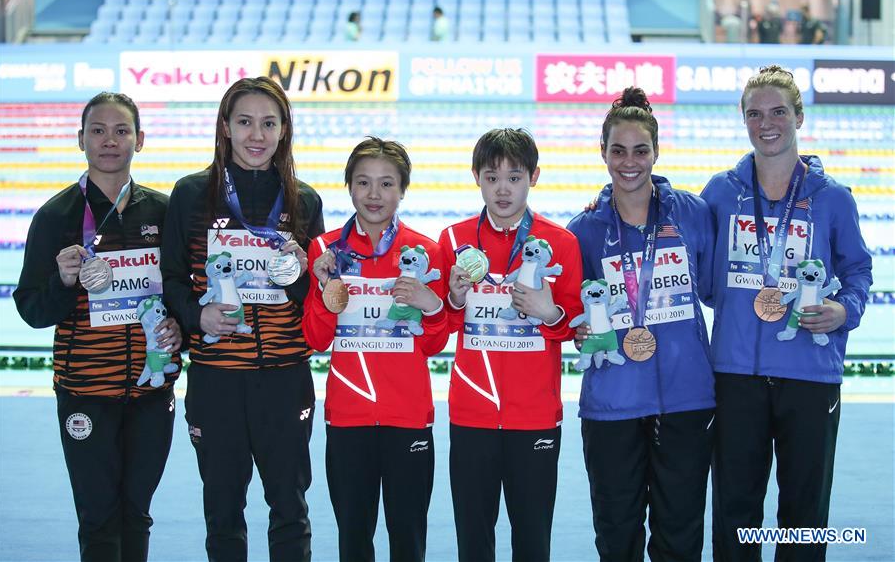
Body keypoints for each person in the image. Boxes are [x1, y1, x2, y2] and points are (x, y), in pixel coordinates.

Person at [701, 65, 872, 561]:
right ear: (744, 121)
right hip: (736, 374)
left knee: (804, 512)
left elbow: (858, 271)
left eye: (778, 111)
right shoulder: (720, 194)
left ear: (798, 116)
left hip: (809, 375)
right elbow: (698, 265)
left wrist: (845, 310)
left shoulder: (833, 198)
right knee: (735, 509)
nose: (766, 122)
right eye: (754, 114)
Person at [160, 76, 325, 561]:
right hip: (217, 380)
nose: (257, 134)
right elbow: (170, 277)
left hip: (284, 378)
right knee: (223, 510)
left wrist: (298, 271)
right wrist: (198, 316)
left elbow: (310, 294)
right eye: (246, 122)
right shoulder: (191, 195)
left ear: (283, 131)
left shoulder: (304, 201)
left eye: (268, 123)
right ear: (226, 128)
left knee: (290, 509)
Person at [13, 92, 183, 562]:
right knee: (98, 516)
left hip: (151, 393)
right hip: (85, 391)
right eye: (98, 131)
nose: (110, 140)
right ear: (80, 139)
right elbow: (31, 309)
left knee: (137, 511)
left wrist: (178, 329)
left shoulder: (164, 213)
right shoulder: (56, 216)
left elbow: (183, 298)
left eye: (122, 131)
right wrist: (64, 281)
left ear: (141, 140)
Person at [567, 87, 716, 562]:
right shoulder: (583, 231)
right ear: (603, 153)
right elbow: (574, 320)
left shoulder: (692, 214)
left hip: (686, 398)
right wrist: (580, 332)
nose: (629, 162)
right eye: (618, 150)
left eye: (640, 150)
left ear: (656, 151)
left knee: (681, 530)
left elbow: (714, 289)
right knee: (617, 532)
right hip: (613, 403)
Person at [437, 128, 583, 561]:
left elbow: (575, 326)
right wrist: (454, 299)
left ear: (533, 177)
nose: (503, 188)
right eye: (492, 177)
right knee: (473, 539)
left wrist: (549, 312)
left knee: (533, 540)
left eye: (514, 177)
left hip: (535, 417)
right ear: (476, 178)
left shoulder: (561, 244)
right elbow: (437, 326)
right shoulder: (452, 241)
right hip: (471, 413)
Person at [304, 137, 448, 561]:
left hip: (409, 417)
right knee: (354, 541)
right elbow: (315, 339)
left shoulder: (426, 253)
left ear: (403, 190)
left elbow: (436, 344)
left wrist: (432, 305)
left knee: (409, 542)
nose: (374, 194)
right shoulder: (326, 251)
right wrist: (324, 290)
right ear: (349, 186)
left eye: (387, 184)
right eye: (363, 182)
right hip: (349, 418)